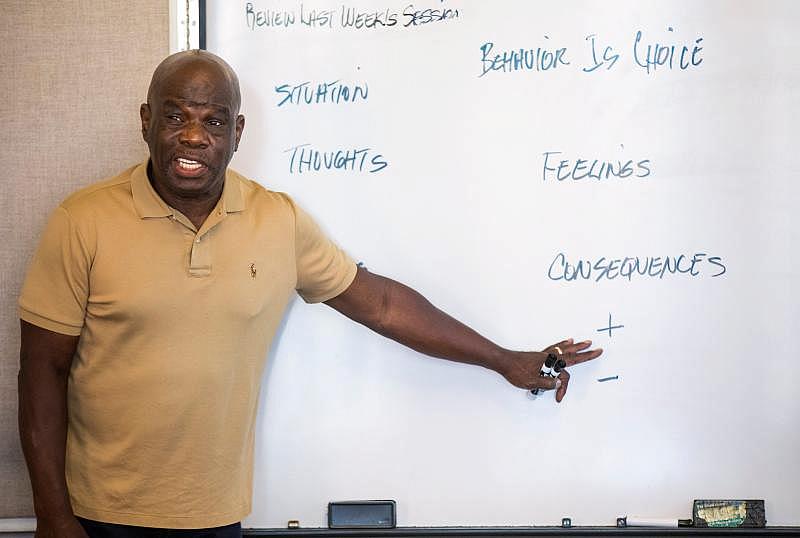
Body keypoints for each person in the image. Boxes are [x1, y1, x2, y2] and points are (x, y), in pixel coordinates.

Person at [17, 50, 602, 538]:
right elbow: (40, 373)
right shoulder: (83, 220)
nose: (193, 136)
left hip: (216, 517)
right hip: (96, 517)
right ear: (145, 119)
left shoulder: (278, 220)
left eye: (214, 121)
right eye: (175, 117)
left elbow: (383, 305)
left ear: (237, 132)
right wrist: (52, 517)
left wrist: (505, 360)